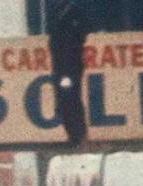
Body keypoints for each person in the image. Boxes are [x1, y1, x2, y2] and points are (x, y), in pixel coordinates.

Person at [46, 0, 90, 145]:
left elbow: (71, 42)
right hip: (61, 66)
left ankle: (78, 135)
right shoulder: (62, 13)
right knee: (64, 101)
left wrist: (66, 70)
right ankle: (73, 135)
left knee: (70, 100)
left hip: (68, 66)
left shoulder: (74, 13)